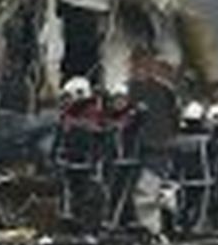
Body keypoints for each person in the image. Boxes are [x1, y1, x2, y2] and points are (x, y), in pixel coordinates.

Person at [52, 76, 104, 234]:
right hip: (68, 163)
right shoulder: (66, 119)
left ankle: (86, 228)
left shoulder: (91, 118)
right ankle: (70, 224)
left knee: (87, 196)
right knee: (68, 195)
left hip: (86, 165)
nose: (65, 102)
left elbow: (98, 137)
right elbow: (58, 141)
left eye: (68, 98)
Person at [101, 84, 147, 230]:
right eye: (116, 100)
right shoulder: (108, 119)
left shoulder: (131, 118)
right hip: (113, 162)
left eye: (122, 100)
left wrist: (139, 111)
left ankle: (128, 219)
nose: (119, 103)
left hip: (130, 162)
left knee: (128, 192)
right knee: (112, 191)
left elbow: (140, 118)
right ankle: (112, 219)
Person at [168, 100, 215, 236]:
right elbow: (214, 159)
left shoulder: (177, 139)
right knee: (201, 205)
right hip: (204, 178)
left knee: (184, 204)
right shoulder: (207, 139)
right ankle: (198, 227)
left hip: (184, 179)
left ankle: (182, 226)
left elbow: (174, 161)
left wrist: (173, 177)